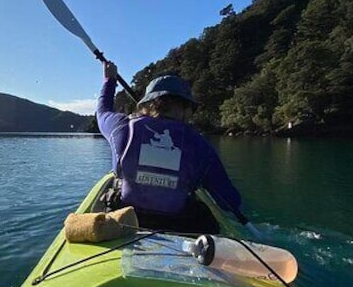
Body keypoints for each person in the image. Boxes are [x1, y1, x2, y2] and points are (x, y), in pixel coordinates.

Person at [96, 62, 243, 233]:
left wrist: (109, 80)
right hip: (177, 224)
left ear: (146, 105)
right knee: (203, 214)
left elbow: (102, 111)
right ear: (186, 108)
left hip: (127, 220)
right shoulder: (199, 144)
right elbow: (229, 202)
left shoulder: (121, 127)